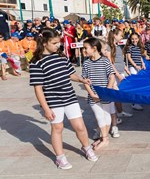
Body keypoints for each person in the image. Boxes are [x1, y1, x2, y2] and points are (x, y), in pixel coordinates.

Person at [29, 29, 98, 169]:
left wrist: (81, 80)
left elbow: (70, 74)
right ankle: (60, 157)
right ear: (44, 42)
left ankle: (86, 148)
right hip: (53, 100)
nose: (58, 46)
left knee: (80, 126)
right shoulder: (37, 62)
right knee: (57, 128)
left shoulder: (62, 57)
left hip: (70, 96)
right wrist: (46, 109)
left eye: (59, 43)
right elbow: (38, 89)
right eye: (54, 43)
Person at [81, 38, 116, 150]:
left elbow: (111, 76)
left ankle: (104, 138)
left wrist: (107, 90)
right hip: (93, 97)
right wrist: (92, 94)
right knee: (99, 116)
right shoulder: (86, 63)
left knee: (106, 116)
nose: (84, 50)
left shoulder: (105, 61)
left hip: (106, 94)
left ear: (94, 48)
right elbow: (84, 80)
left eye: (86, 48)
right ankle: (104, 138)